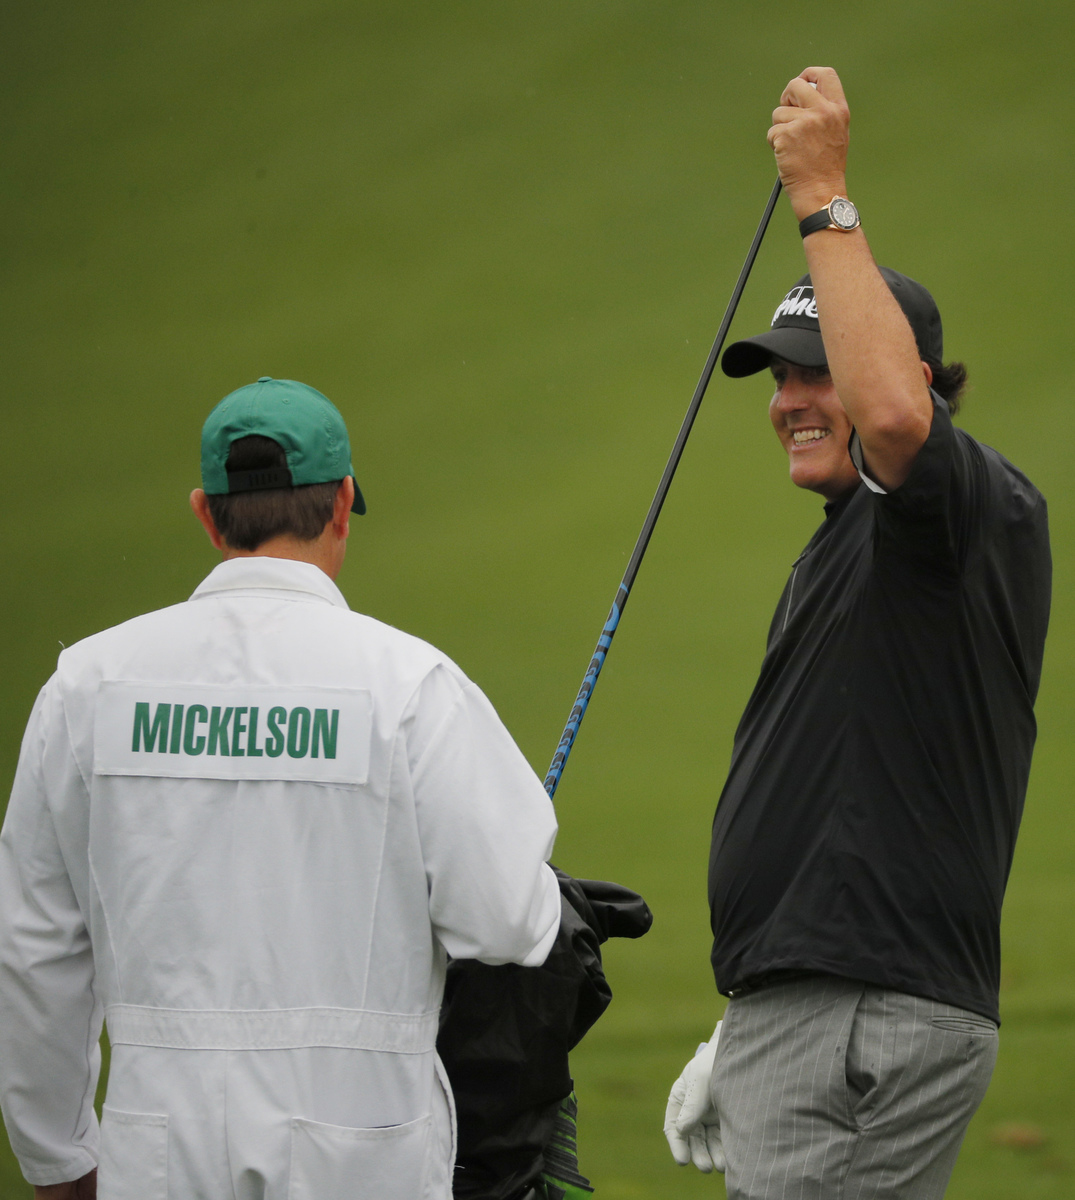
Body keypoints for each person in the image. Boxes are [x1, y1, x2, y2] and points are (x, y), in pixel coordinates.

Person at [0, 376, 563, 1200]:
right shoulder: (409, 684)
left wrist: (56, 1157)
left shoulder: (85, 687)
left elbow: (33, 950)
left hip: (155, 1143)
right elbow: (504, 921)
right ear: (340, 504)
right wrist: (543, 893)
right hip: (363, 1142)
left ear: (206, 514)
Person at [663, 67, 1051, 1199]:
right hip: (818, 1008)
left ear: (908, 379)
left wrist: (821, 195)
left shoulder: (959, 511)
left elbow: (892, 419)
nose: (788, 400)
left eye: (817, 373)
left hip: (858, 1018)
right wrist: (754, 1017)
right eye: (779, 377)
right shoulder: (848, 544)